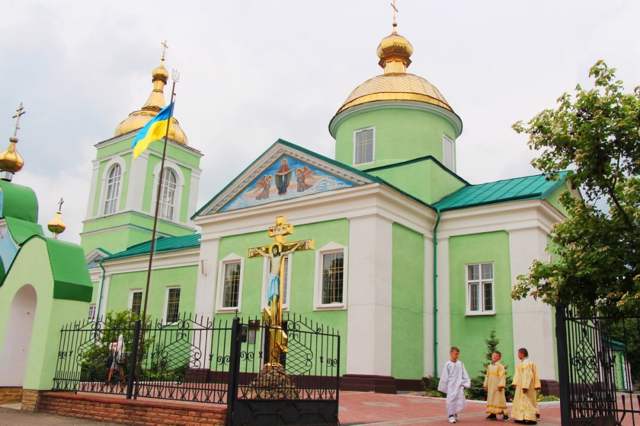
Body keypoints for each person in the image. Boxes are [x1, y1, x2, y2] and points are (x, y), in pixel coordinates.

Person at [438, 346, 471, 424]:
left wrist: (465, 382)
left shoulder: (460, 364)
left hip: (459, 385)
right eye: (455, 354)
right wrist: (445, 386)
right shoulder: (448, 364)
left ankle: (455, 413)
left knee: (459, 399)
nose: (457, 356)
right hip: (451, 386)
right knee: (451, 400)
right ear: (451, 353)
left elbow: (464, 373)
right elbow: (444, 376)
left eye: (458, 354)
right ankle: (450, 415)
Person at [511, 348, 541, 424]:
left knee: (528, 402)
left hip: (526, 386)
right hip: (520, 386)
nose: (518, 355)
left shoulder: (528, 363)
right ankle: (520, 417)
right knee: (520, 401)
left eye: (518, 353)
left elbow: (528, 375)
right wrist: (515, 383)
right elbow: (517, 374)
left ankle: (531, 419)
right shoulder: (520, 364)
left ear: (522, 354)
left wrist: (525, 386)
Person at [484, 351, 508, 420]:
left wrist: (501, 385)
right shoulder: (489, 366)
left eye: (496, 356)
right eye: (493, 355)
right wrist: (485, 384)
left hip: (498, 387)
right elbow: (487, 376)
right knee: (491, 399)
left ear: (499, 357)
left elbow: (502, 376)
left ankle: (505, 414)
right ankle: (493, 413)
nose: (494, 357)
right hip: (491, 386)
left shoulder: (500, 366)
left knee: (500, 400)